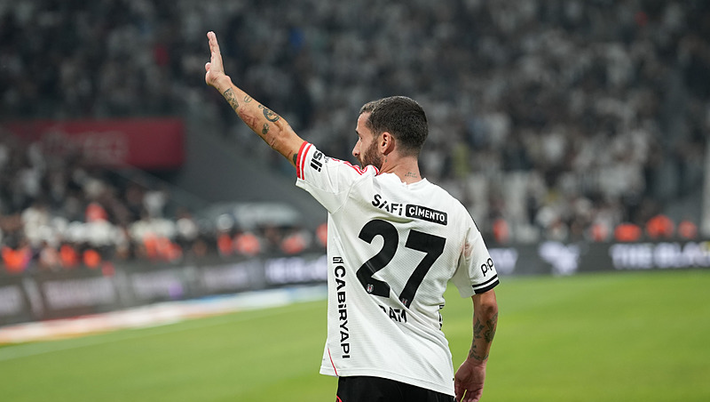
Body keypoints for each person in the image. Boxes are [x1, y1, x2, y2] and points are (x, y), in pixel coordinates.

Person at [205, 31, 499, 402]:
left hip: (368, 377)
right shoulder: (456, 213)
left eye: (361, 137)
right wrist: (477, 362)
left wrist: (223, 83)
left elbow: (279, 133)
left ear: (385, 142)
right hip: (433, 380)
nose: (355, 149)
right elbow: (487, 303)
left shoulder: (351, 188)